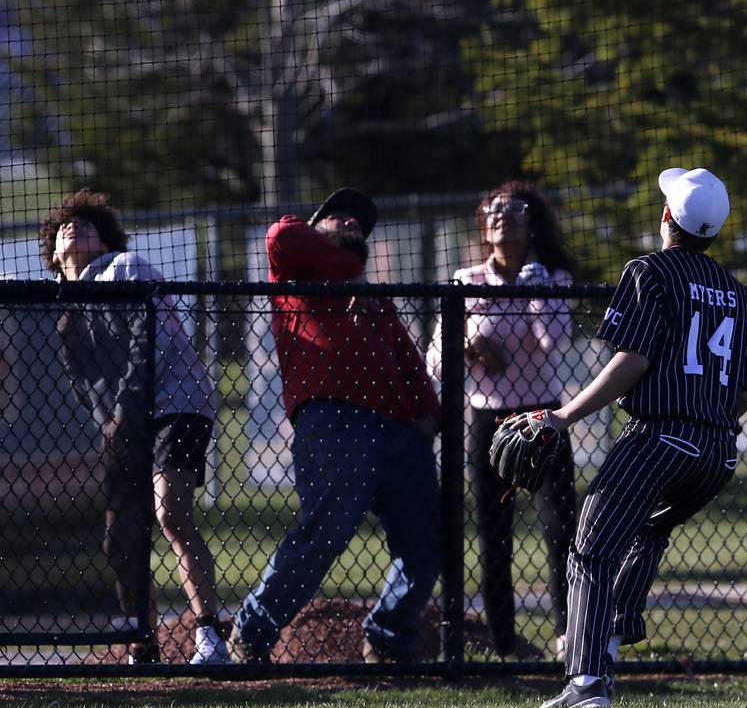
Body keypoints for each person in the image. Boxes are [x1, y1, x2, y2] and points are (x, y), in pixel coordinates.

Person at [499, 168, 747, 708]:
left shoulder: (650, 271)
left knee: (590, 551)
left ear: (667, 217)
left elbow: (633, 360)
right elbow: (743, 396)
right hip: (717, 453)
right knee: (644, 533)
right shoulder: (740, 295)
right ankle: (611, 640)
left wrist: (562, 416)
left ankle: (588, 682)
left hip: (658, 438)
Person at [230, 188, 442, 664]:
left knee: (426, 544)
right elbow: (280, 233)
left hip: (401, 431)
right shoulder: (296, 270)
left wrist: (429, 412)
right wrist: (349, 272)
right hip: (333, 420)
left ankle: (387, 638)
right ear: (316, 225)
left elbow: (406, 357)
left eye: (357, 222)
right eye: (336, 215)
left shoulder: (374, 298)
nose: (348, 221)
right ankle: (252, 633)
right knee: (324, 533)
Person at [40, 190, 230, 665]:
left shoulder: (126, 268)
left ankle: (210, 636)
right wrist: (113, 424)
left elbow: (150, 347)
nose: (73, 227)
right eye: (66, 225)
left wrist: (121, 413)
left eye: (87, 224)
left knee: (170, 511)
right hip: (125, 424)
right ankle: (142, 643)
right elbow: (87, 389)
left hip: (175, 402)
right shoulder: (65, 317)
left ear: (105, 239)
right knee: (119, 535)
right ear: (53, 253)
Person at [427, 180, 577, 659]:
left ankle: (567, 633)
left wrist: (532, 284)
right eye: (493, 212)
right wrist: (469, 344)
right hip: (487, 420)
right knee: (494, 534)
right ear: (483, 226)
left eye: (513, 211)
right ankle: (504, 638)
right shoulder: (466, 281)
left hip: (542, 419)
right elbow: (435, 360)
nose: (501, 218)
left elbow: (555, 339)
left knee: (561, 530)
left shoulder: (553, 278)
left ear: (532, 223)